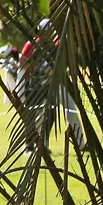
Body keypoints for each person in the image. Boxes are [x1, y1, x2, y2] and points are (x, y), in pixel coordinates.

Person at [17, 18, 86, 151]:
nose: (50, 34)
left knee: (71, 109)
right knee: (41, 115)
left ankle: (80, 143)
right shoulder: (32, 45)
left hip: (57, 82)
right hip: (39, 84)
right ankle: (36, 144)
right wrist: (38, 68)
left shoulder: (56, 45)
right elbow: (22, 62)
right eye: (46, 32)